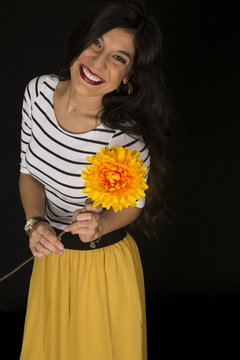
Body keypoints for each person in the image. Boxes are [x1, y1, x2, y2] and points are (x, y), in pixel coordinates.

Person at [19, 0, 173, 359]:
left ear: (129, 75)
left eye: (119, 58)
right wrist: (35, 223)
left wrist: (101, 224)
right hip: (51, 261)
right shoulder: (37, 93)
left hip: (102, 268)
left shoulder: (127, 137)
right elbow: (29, 172)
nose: (98, 62)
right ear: (81, 41)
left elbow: (132, 207)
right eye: (97, 43)